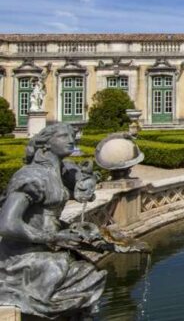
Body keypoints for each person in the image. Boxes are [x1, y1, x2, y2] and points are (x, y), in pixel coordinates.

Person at [0, 124, 106, 318]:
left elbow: (48, 214)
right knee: (84, 274)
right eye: (63, 136)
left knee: (88, 272)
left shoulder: (57, 172)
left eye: (72, 135)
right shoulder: (31, 177)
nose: (71, 139)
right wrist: (55, 237)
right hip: (20, 255)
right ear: (46, 144)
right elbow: (6, 225)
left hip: (43, 247)